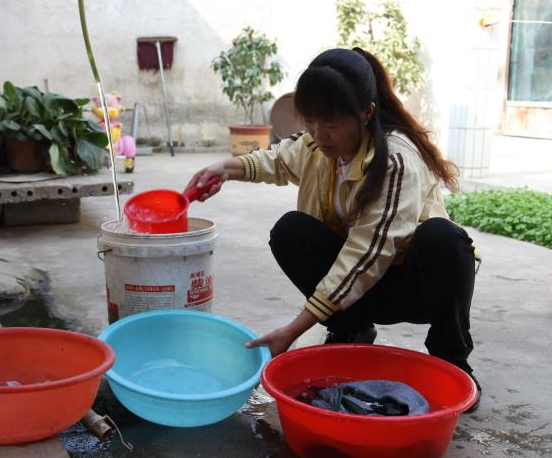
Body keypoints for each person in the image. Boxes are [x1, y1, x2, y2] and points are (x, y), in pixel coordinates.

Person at [185, 48, 481, 412]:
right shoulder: (316, 145)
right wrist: (224, 169)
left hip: (412, 288)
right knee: (291, 230)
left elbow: (365, 257)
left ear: (366, 113)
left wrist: (292, 331)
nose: (319, 134)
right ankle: (351, 328)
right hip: (359, 289)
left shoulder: (396, 159)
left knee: (443, 237)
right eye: (310, 121)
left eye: (331, 123)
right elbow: (278, 158)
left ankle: (453, 360)